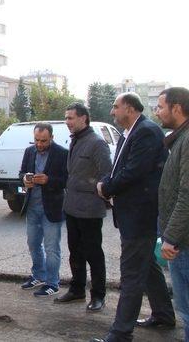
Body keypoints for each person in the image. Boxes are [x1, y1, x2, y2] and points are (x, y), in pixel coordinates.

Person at [91, 93, 175, 342]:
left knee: (131, 276)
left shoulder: (146, 131)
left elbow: (134, 172)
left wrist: (106, 188)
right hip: (133, 214)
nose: (112, 112)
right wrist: (106, 181)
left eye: (115, 107)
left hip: (140, 215)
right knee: (147, 266)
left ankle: (120, 333)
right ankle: (163, 314)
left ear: (129, 108)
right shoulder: (132, 132)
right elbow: (119, 168)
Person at [55, 103, 112, 311]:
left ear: (84, 118)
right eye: (66, 118)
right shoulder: (76, 140)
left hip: (90, 210)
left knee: (93, 253)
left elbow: (107, 174)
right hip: (72, 208)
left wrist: (95, 192)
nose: (67, 122)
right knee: (75, 251)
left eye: (71, 118)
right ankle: (77, 289)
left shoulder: (96, 143)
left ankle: (98, 295)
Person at [154, 87, 189, 341]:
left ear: (176, 108)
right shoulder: (180, 138)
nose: (158, 112)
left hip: (183, 244)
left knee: (187, 310)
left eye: (160, 106)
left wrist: (171, 237)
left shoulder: (187, 140)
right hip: (181, 242)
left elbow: (187, 194)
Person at [19, 122, 68, 297]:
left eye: (44, 141)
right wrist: (25, 178)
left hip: (52, 208)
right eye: (36, 140)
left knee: (51, 248)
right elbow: (21, 173)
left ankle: (52, 283)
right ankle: (38, 275)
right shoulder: (29, 151)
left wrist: (48, 180)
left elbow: (67, 180)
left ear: (52, 138)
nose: (39, 144)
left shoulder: (62, 153)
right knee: (33, 244)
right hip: (32, 206)